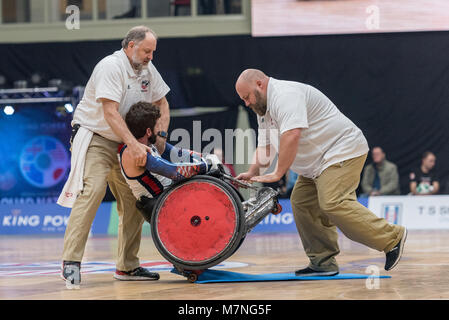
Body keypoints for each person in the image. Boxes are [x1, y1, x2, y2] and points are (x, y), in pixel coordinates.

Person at [235, 69, 407, 276]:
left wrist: (278, 173)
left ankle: (392, 237)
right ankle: (323, 262)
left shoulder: (285, 95)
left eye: (247, 97)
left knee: (333, 202)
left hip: (341, 151)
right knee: (301, 203)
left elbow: (291, 135)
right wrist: (251, 172)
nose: (247, 103)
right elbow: (266, 147)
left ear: (260, 84)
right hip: (315, 166)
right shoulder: (264, 111)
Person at [58, 26, 171, 287]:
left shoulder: (147, 69)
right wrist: (133, 145)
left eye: (153, 52)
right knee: (93, 190)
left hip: (124, 142)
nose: (150, 56)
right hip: (96, 137)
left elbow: (162, 103)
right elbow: (110, 112)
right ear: (131, 46)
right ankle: (71, 261)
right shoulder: (110, 66)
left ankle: (127, 266)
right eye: (146, 51)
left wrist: (160, 135)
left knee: (135, 199)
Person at [118, 101, 221, 222]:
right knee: (209, 175)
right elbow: (174, 171)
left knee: (214, 172)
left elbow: (179, 154)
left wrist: (207, 157)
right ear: (148, 131)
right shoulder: (135, 153)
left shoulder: (150, 143)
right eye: (157, 126)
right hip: (160, 205)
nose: (160, 130)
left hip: (171, 195)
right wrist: (206, 165)